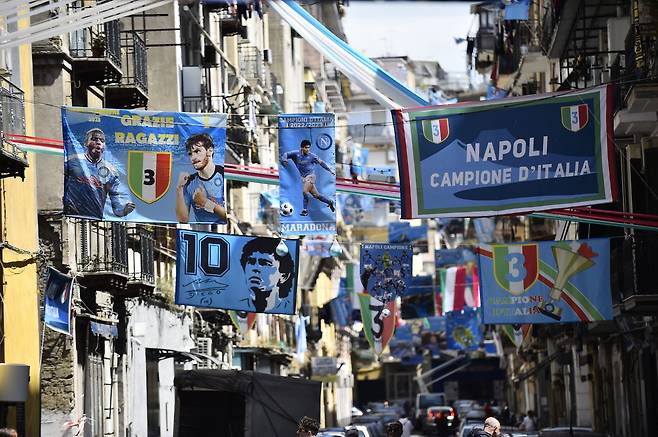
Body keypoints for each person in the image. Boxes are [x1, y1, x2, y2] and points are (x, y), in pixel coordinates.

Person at [64, 128, 135, 219]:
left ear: (104, 145)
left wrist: (124, 210)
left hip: (95, 218)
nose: (98, 142)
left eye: (102, 140)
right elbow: (59, 183)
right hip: (72, 215)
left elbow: (116, 204)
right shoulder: (72, 161)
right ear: (86, 143)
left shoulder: (111, 171)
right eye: (94, 139)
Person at [176, 133, 227, 223]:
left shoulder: (223, 174)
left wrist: (206, 203)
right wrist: (179, 189)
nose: (193, 157)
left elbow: (230, 215)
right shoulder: (189, 182)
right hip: (201, 233)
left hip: (224, 232)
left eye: (197, 151)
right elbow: (183, 220)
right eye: (190, 154)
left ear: (210, 151)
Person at [281, 139, 335, 216]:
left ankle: (305, 210)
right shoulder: (296, 154)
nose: (308, 149)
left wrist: (329, 170)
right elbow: (286, 154)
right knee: (316, 195)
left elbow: (321, 162)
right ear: (302, 148)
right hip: (304, 178)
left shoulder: (312, 156)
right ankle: (329, 202)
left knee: (304, 191)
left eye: (309, 147)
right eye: (306, 147)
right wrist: (284, 160)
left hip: (311, 177)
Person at [239, 237, 294, 313]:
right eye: (251, 262)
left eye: (265, 263)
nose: (255, 268)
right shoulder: (237, 305)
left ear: (283, 276)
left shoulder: (286, 308)